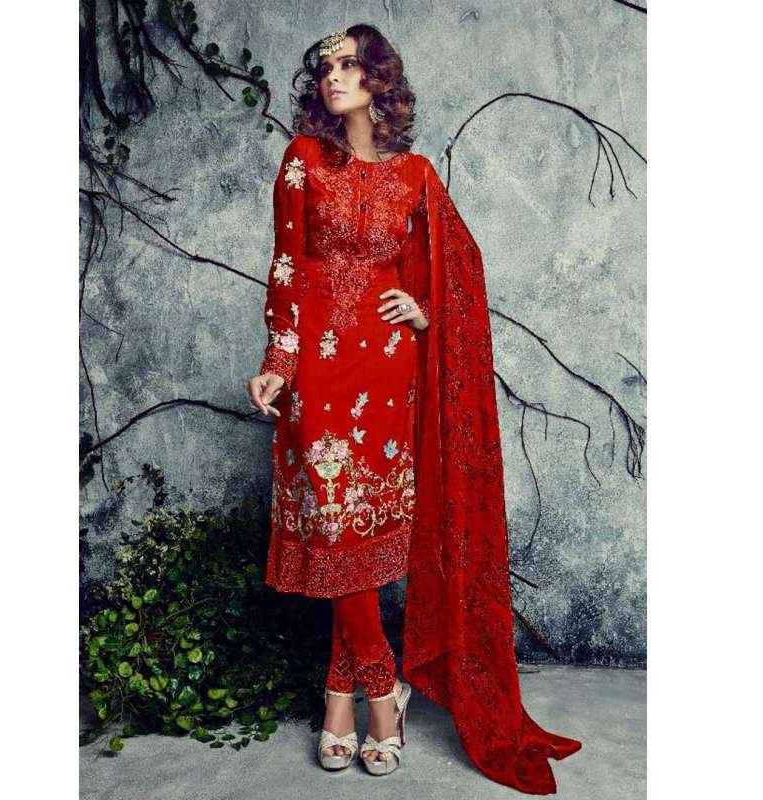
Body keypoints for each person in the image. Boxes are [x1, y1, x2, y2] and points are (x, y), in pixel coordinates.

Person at [246, 23, 582, 792]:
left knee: (361, 533)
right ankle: (380, 691)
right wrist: (278, 362)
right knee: (335, 523)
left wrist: (426, 312)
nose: (334, 77)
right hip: (319, 370)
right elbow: (287, 267)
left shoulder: (416, 175)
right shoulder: (303, 161)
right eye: (326, 68)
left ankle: (338, 697)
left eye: (349, 65)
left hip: (389, 371)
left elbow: (453, 270)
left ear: (378, 81)